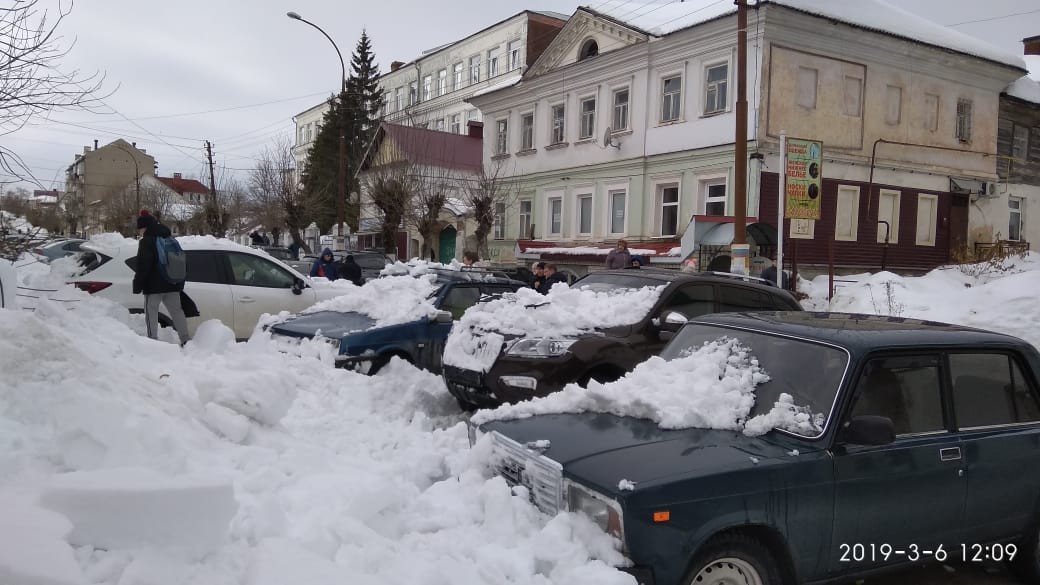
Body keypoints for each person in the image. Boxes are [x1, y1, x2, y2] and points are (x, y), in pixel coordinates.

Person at [132, 210, 190, 346]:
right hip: (172, 283)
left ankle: (153, 342)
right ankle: (186, 340)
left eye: (140, 229)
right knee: (177, 311)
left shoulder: (147, 241)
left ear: (144, 227)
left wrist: (137, 284)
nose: (139, 232)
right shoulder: (170, 238)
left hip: (153, 287)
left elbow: (143, 265)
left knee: (151, 313)